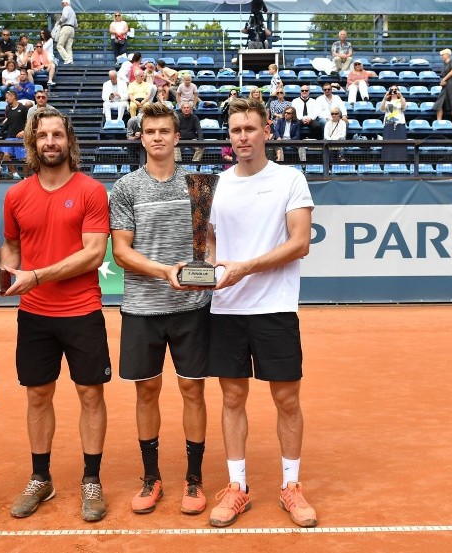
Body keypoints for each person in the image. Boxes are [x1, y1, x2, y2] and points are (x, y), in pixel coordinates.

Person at [205, 97, 316, 529]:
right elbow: (209, 242)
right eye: (235, 130)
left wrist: (244, 267)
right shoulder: (216, 185)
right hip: (227, 308)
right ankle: (237, 488)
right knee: (232, 398)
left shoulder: (290, 179)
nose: (243, 137)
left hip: (275, 307)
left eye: (250, 128)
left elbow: (300, 242)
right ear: (229, 137)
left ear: (267, 130)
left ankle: (291, 486)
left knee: (286, 399)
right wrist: (211, 267)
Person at [0, 106, 111, 523]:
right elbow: (11, 247)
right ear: (33, 142)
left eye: (57, 136)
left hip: (82, 310)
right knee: (37, 395)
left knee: (90, 394)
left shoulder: (91, 191)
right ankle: (41, 477)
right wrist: (7, 271)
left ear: (69, 142)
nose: (50, 142)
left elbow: (93, 253)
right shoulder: (15, 195)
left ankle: (91, 479)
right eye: (42, 135)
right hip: (34, 315)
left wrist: (36, 274)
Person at [108, 101, 210, 517]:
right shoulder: (126, 188)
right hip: (142, 308)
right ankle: (151, 478)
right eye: (150, 132)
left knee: (193, 390)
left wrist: (202, 272)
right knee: (146, 391)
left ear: (176, 136)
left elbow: (211, 242)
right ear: (141, 137)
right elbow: (121, 252)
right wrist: (166, 271)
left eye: (164, 131)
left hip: (192, 306)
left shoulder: (199, 184)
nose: (157, 138)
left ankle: (194, 480)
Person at [380, 86, 407, 162]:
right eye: (392, 90)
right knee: (388, 145)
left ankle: (401, 163)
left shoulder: (402, 100)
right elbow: (381, 109)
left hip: (400, 124)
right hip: (389, 124)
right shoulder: (387, 101)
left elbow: (404, 107)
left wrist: (401, 96)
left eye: (396, 90)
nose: (394, 91)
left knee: (401, 145)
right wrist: (385, 97)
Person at [434, 48, 452, 124]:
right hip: (445, 86)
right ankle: (439, 122)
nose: (442, 56)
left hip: (451, 85)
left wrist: (444, 79)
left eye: (443, 55)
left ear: (447, 54)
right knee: (439, 104)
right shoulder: (444, 64)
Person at [57, 0, 77, 65]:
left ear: (66, 3)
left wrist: (60, 21)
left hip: (66, 27)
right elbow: (76, 24)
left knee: (59, 45)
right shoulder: (73, 11)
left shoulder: (66, 8)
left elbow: (64, 17)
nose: (62, 4)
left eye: (63, 3)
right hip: (72, 29)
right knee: (69, 47)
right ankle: (70, 60)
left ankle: (67, 59)